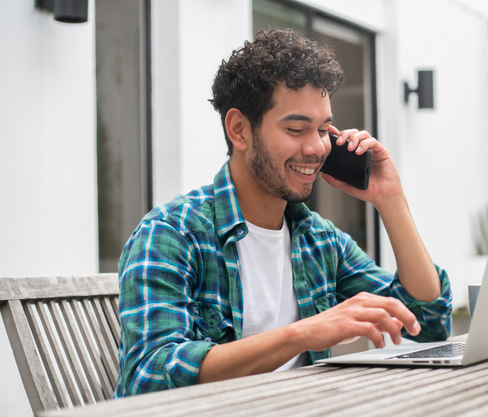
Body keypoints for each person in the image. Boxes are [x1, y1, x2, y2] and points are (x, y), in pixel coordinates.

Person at [115, 28, 452, 397]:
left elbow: (427, 322)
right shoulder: (171, 234)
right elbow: (149, 374)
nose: (316, 148)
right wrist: (304, 333)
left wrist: (391, 200)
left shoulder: (318, 241)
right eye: (296, 128)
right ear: (239, 130)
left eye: (324, 129)